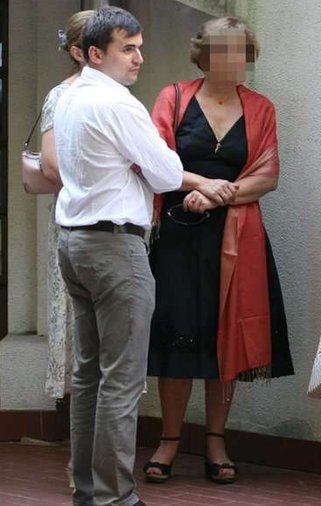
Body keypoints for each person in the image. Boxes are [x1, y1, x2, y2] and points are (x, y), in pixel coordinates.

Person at [143, 16, 294, 485]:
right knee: (176, 337)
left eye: (241, 51)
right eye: (224, 49)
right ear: (204, 55)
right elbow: (155, 160)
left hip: (237, 238)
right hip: (177, 237)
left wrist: (215, 196)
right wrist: (200, 185)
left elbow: (267, 174)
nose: (235, 59)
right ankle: (169, 440)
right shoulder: (173, 97)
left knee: (224, 335)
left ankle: (215, 441)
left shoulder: (261, 108)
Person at [52, 6, 185, 506]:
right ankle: (116, 499)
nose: (138, 58)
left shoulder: (68, 96)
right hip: (114, 248)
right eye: (127, 48)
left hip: (75, 242)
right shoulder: (119, 103)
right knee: (121, 382)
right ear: (94, 53)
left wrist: (135, 167)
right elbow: (169, 175)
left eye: (139, 47)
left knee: (89, 376)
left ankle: (89, 494)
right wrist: (139, 168)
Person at [39, 9, 94, 490]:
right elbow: (52, 165)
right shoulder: (62, 95)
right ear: (81, 51)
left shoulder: (116, 94)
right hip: (78, 226)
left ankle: (100, 461)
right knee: (82, 342)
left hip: (110, 230)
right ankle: (82, 464)